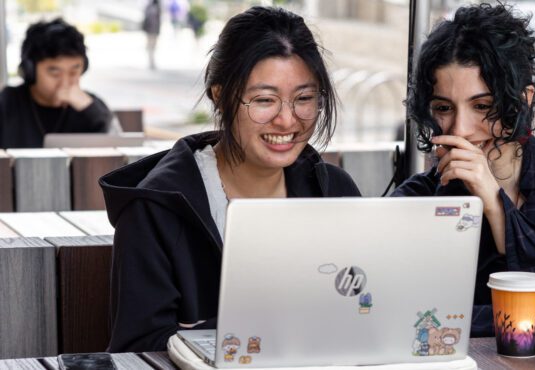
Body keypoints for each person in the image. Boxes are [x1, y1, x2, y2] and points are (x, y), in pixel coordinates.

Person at [100, 6, 361, 352]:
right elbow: (138, 350)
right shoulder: (156, 209)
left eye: (304, 99)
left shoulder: (336, 193)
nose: (287, 120)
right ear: (220, 95)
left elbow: (365, 312)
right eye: (264, 100)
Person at [392, 3, 535, 337]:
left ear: (523, 99)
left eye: (482, 106)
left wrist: (497, 206)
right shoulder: (418, 199)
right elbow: (406, 320)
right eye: (443, 108)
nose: (461, 128)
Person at [0, 18, 113, 148]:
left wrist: (91, 111)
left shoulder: (90, 106)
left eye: (74, 72)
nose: (65, 83)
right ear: (30, 70)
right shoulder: (6, 103)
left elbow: (117, 151)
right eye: (55, 73)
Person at [143, 0, 162, 70]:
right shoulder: (157, 8)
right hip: (153, 30)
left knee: (150, 46)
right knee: (152, 47)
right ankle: (152, 62)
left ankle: (151, 61)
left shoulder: (149, 7)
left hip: (150, 30)